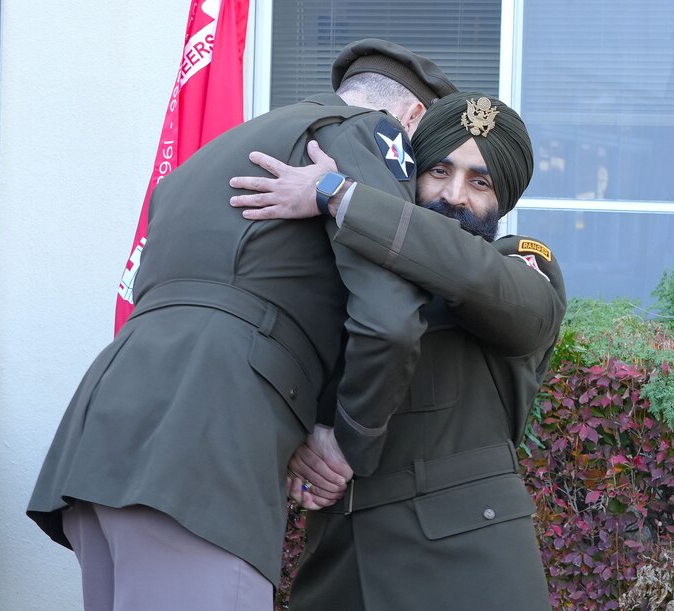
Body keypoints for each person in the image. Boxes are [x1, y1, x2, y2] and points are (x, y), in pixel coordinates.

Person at [26, 39, 457, 611]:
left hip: (104, 441)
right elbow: (388, 321)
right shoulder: (367, 136)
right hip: (207, 446)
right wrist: (346, 439)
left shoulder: (206, 158)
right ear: (411, 120)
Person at [229, 91, 567, 610]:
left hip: (467, 568)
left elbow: (466, 274)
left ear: (505, 200)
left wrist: (339, 196)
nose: (454, 195)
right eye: (438, 170)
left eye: (480, 182)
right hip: (340, 556)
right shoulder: (359, 271)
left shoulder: (518, 265)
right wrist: (300, 436)